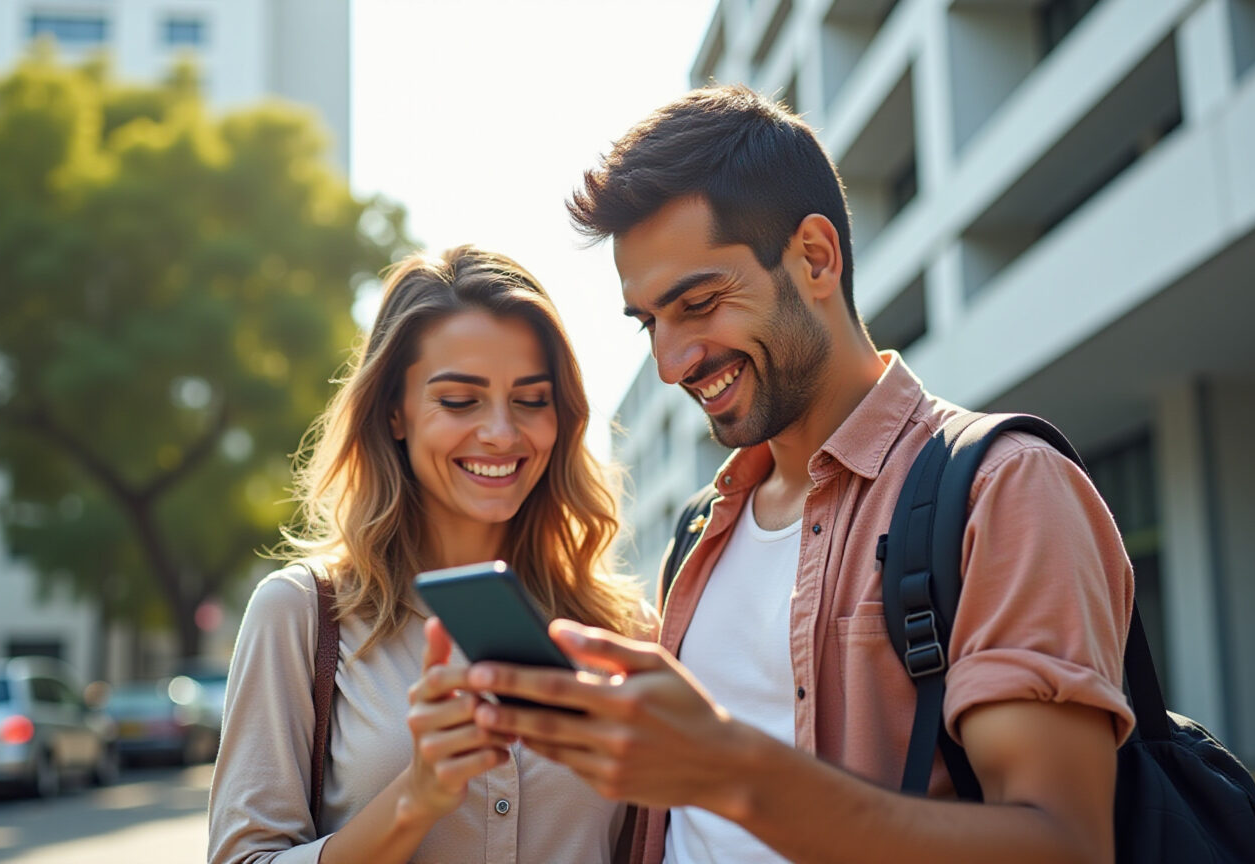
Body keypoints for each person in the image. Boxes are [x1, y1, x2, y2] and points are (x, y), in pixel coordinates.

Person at [459, 86, 1136, 864]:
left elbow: (1062, 844)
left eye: (701, 303)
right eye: (650, 322)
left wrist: (731, 770)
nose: (672, 362)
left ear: (815, 257)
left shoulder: (1006, 488)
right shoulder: (700, 528)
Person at [208, 246, 646, 864]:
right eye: (460, 401)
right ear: (395, 413)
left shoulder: (621, 633)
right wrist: (416, 796)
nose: (500, 432)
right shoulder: (302, 614)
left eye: (531, 399)